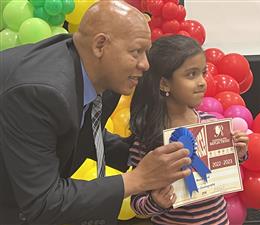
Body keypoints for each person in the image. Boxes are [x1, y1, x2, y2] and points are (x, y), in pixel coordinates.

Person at [0, 2, 192, 225]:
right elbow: (43, 202)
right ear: (100, 45)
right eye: (136, 52)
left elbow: (87, 132)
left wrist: (146, 152)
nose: (145, 64)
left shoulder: (102, 77)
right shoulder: (41, 93)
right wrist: (137, 179)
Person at [129, 35, 249, 225]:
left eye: (203, 72)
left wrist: (238, 154)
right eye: (191, 74)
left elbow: (221, 174)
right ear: (164, 83)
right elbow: (137, 204)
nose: (202, 82)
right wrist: (156, 202)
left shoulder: (210, 124)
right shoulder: (149, 139)